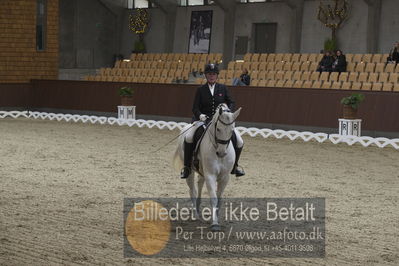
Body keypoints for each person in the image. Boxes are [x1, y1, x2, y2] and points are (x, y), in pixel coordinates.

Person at [180, 63, 245, 179]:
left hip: (221, 121)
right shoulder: (200, 90)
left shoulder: (223, 88)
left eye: (214, 74)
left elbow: (232, 102)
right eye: (209, 74)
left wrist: (228, 112)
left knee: (239, 140)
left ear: (217, 76)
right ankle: (187, 167)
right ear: (205, 75)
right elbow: (195, 108)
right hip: (204, 120)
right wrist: (200, 116)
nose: (211, 76)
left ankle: (235, 166)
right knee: (189, 137)